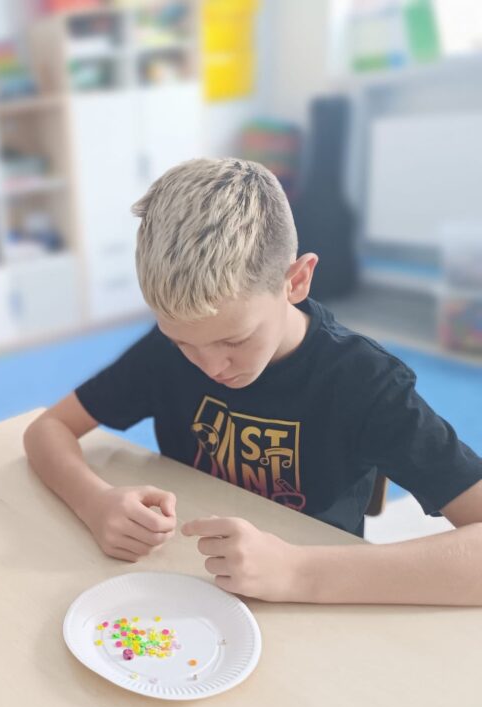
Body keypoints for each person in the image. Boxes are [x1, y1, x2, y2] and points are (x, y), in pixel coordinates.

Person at [24, 158, 482, 606]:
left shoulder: (366, 382)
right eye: (183, 342)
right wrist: (94, 502)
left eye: (235, 340)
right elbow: (47, 428)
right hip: (189, 588)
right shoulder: (166, 351)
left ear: (296, 281)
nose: (210, 366)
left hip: (317, 604)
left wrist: (298, 572)